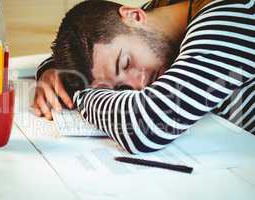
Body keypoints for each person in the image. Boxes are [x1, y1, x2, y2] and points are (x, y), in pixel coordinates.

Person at [34, 0, 255, 154]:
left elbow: (146, 125)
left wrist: (83, 94)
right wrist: (52, 70)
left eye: (126, 63)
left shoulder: (230, 15)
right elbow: (90, 40)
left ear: (134, 16)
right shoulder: (159, 12)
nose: (139, 85)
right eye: (121, 88)